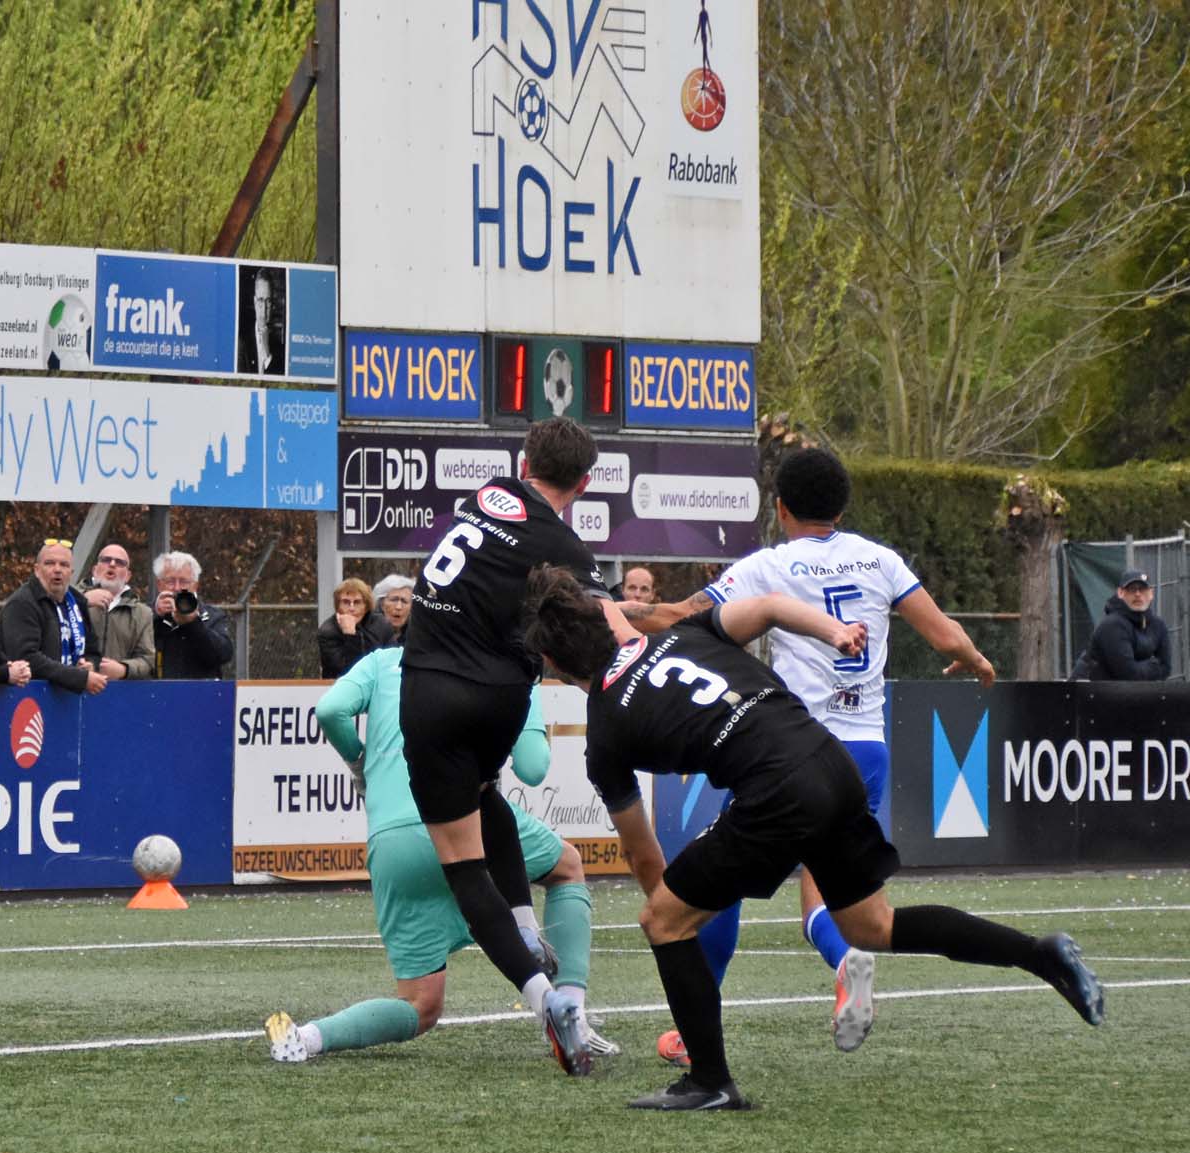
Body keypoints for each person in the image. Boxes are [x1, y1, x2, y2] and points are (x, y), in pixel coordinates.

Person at [523, 565, 1105, 1110]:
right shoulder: (685, 632)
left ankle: (709, 1081)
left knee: (662, 920)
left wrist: (670, 916)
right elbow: (771, 606)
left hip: (776, 791)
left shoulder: (605, 732)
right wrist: (832, 630)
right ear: (606, 621)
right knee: (871, 927)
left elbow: (640, 852)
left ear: (551, 664)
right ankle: (1039, 954)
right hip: (830, 760)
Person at [661, 447, 998, 1063]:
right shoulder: (880, 559)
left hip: (792, 753)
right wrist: (974, 659)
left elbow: (685, 617)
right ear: (842, 507)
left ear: (780, 508)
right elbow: (944, 633)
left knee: (719, 883)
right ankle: (845, 961)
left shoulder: (769, 566)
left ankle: (694, 1029)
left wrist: (617, 618)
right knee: (825, 900)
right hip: (865, 751)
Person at [395, 416, 623, 1075]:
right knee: (484, 790)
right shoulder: (563, 545)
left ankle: (543, 997)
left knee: (464, 869)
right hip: (503, 699)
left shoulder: (486, 494)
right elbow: (600, 620)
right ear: (584, 484)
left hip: (431, 687)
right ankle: (525, 923)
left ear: (524, 463)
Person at [267, 643, 620, 1065]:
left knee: (421, 1004)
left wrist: (359, 764)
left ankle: (306, 1039)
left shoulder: (383, 661)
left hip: (394, 839)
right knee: (566, 867)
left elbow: (330, 710)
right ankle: (573, 1017)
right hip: (463, 819)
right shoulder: (502, 659)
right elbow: (532, 768)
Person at [1, 540, 107, 694]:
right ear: (37, 570)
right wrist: (78, 677)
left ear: (71, 572)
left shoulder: (78, 602)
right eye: (50, 563)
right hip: (28, 697)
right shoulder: (21, 603)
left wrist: (90, 665)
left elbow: (93, 650)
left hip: (69, 697)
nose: (57, 570)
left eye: (64, 565)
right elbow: (26, 658)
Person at [1070, 569, 1173, 681]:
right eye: (1132, 589)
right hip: (1088, 689)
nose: (1138, 594)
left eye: (1142, 589)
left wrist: (1141, 668)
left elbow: (1166, 668)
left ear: (1151, 594)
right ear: (1120, 593)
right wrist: (1153, 665)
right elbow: (1128, 674)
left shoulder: (1158, 625)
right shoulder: (1112, 626)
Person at [152, 551, 234, 680]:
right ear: (159, 585)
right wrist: (157, 616)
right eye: (170, 581)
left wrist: (193, 623)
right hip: (156, 690)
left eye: (184, 582)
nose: (177, 588)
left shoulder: (212, 616)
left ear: (195, 585)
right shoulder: (144, 614)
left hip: (201, 690)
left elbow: (223, 655)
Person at [80, 542, 153, 680]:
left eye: (120, 563)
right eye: (106, 560)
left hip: (120, 689)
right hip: (76, 685)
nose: (112, 564)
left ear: (128, 576)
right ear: (95, 570)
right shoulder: (69, 599)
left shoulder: (142, 613)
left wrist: (124, 669)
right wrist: (82, 601)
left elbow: (148, 660)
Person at [317, 576, 394, 678]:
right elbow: (346, 671)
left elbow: (392, 660)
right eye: (346, 602)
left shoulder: (381, 624)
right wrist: (350, 635)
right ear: (338, 606)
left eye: (357, 602)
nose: (351, 608)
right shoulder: (328, 631)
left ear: (366, 606)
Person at [373, 573, 415, 642]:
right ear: (381, 604)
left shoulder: (417, 639)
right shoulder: (367, 636)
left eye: (404, 601)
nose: (399, 607)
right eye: (394, 600)